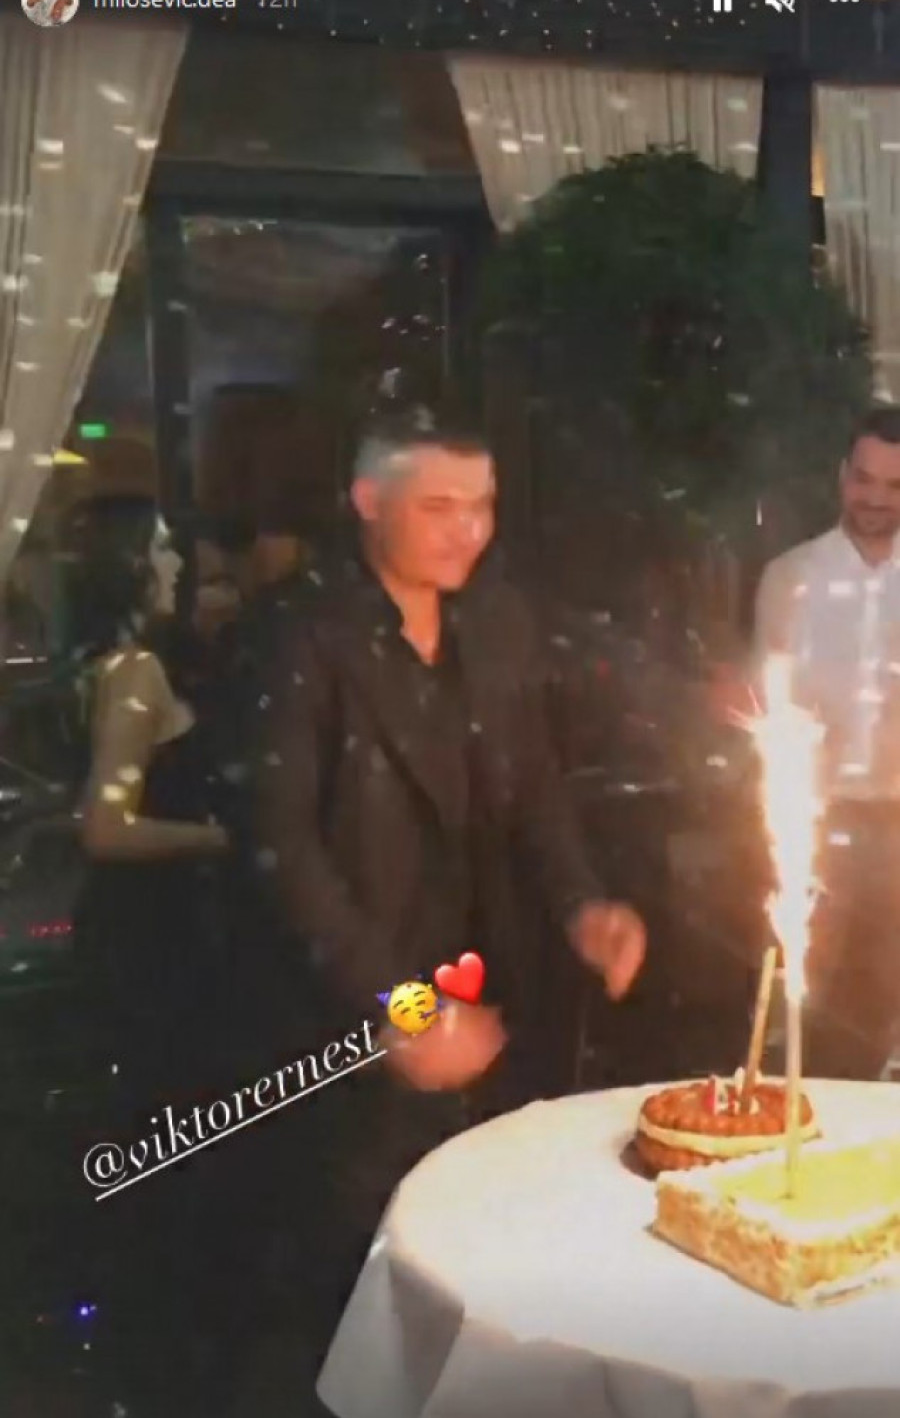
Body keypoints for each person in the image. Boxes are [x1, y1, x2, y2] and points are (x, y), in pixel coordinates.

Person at [250, 404, 647, 1349]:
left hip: (492, 995)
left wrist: (581, 904)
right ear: (367, 499)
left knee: (498, 1272)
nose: (468, 530)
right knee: (369, 1291)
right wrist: (404, 1005)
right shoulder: (303, 636)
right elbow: (282, 850)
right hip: (357, 1014)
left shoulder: (496, 622)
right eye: (439, 506)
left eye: (483, 505)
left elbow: (536, 787)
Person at [70, 497, 239, 1417]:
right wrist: (220, 839)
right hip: (151, 936)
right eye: (163, 550)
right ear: (132, 564)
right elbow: (107, 826)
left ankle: (143, 1340)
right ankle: (162, 1353)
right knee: (164, 1130)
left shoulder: (100, 663)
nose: (177, 564)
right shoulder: (136, 672)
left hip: (132, 933)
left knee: (147, 1128)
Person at [754, 405, 900, 1078]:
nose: (876, 498)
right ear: (842, 475)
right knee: (802, 1010)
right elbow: (768, 709)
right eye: (864, 479)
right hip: (815, 827)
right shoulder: (790, 579)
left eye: (895, 486)